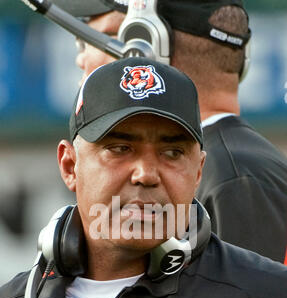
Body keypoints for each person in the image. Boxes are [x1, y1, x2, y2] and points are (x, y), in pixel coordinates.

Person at [1, 57, 287, 298]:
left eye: (172, 153)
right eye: (120, 147)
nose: (146, 173)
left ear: (199, 170)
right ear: (70, 165)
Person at [52, 0, 287, 263]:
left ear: (143, 46)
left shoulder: (235, 176)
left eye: (102, 37)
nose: (80, 57)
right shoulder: (234, 165)